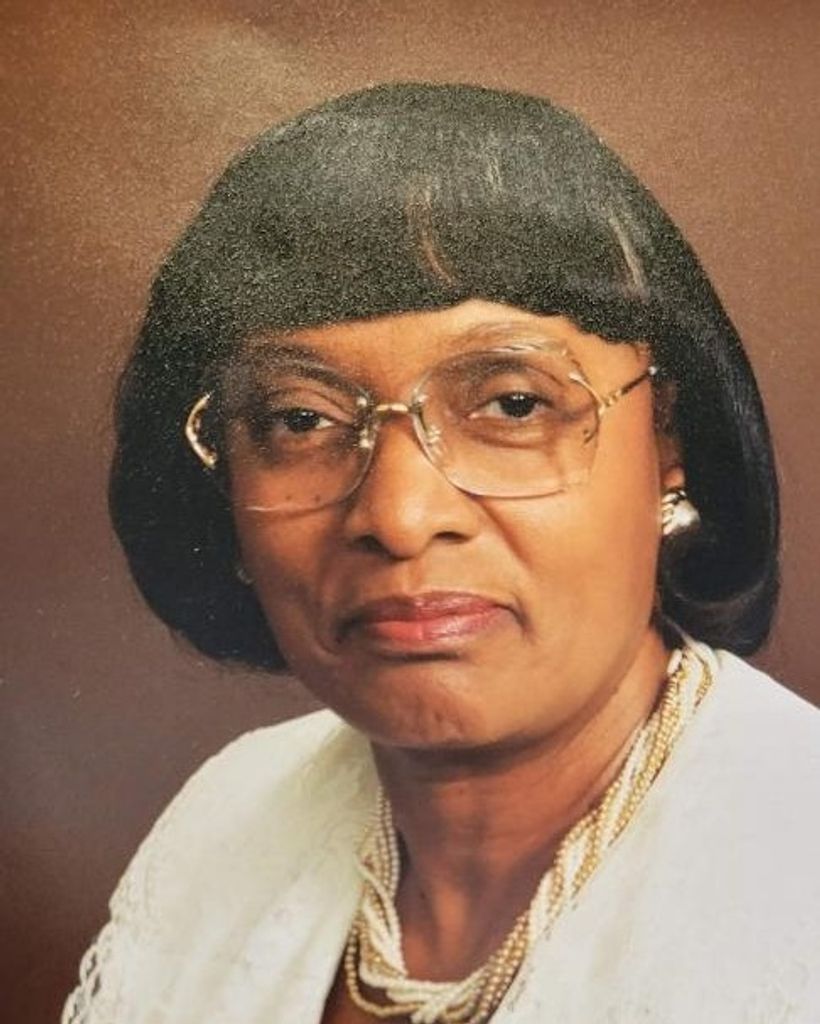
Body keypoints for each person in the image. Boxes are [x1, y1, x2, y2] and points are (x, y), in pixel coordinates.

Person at [63, 83, 820, 1024]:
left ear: (672, 441)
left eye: (513, 403)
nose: (400, 515)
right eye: (299, 419)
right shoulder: (228, 820)